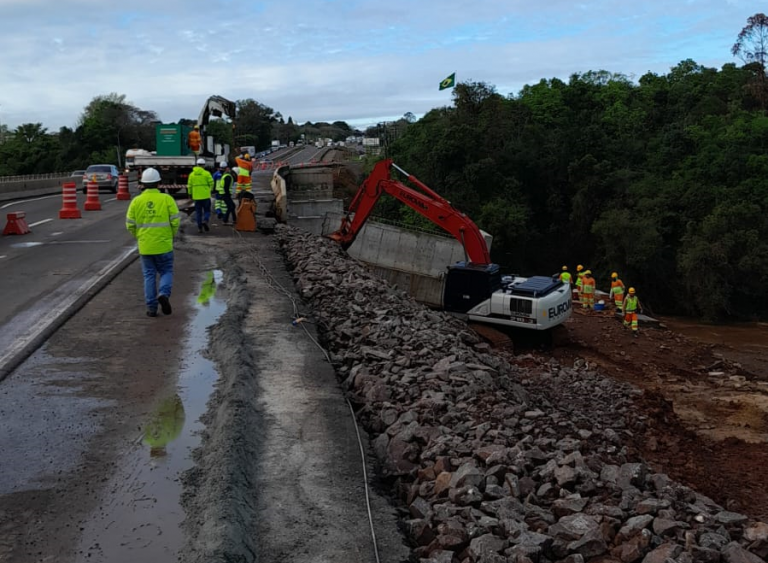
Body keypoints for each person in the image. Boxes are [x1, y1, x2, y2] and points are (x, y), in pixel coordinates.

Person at [125, 168, 180, 317]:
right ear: (159, 183)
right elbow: (175, 220)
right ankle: (163, 293)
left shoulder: (136, 201)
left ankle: (151, 308)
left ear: (142, 184)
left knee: (149, 275)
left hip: (145, 246)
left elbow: (130, 224)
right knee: (166, 271)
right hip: (164, 244)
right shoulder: (166, 199)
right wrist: (170, 235)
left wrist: (140, 236)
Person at [188, 158, 214, 233]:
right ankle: (205, 220)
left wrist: (190, 194)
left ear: (197, 165)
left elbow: (189, 185)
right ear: (204, 165)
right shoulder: (207, 173)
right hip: (205, 196)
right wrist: (210, 190)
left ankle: (199, 227)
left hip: (196, 197)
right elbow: (211, 183)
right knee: (207, 210)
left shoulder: (192, 175)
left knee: (198, 212)